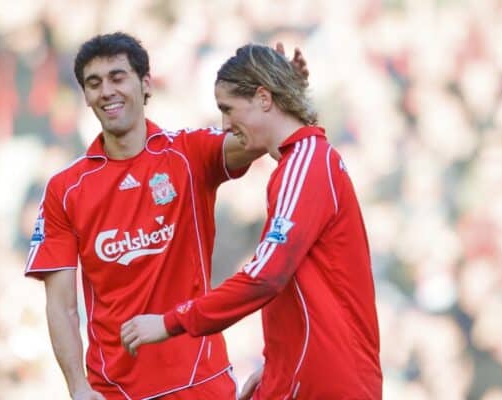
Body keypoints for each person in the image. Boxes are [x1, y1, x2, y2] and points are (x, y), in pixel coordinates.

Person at [24, 33, 307, 400]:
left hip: (201, 382)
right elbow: (61, 306)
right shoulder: (66, 189)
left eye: (117, 77)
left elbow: (257, 139)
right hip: (117, 390)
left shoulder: (189, 154)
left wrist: (283, 98)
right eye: (94, 83)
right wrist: (78, 386)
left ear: (145, 84)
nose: (106, 91)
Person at [121, 44, 383, 399]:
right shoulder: (303, 162)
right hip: (306, 374)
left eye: (228, 109)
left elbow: (265, 276)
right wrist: (278, 365)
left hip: (324, 382)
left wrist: (170, 322)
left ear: (263, 97)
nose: (226, 125)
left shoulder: (306, 165)